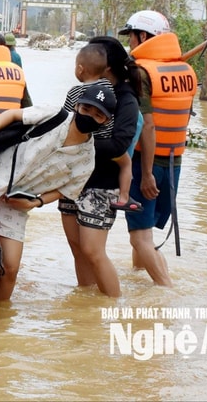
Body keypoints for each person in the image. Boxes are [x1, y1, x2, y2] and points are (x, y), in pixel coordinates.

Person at [0, 83, 116, 302]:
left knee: (10, 269)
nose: (90, 117)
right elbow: (12, 115)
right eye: (86, 110)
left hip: (13, 204)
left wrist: (35, 202)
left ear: (106, 121)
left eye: (98, 115)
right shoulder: (53, 114)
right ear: (77, 106)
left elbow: (66, 191)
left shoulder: (87, 159)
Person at [118, 10, 196, 287]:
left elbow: (148, 126)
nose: (130, 44)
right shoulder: (185, 70)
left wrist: (147, 173)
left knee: (138, 237)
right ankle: (138, 275)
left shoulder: (142, 72)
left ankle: (167, 289)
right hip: (175, 163)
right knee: (145, 232)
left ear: (143, 36)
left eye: (131, 37)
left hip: (146, 163)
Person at [58, 41, 142, 298]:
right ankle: (87, 304)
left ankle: (113, 305)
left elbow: (119, 145)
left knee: (93, 251)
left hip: (102, 183)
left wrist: (78, 146)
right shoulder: (80, 93)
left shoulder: (125, 99)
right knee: (77, 247)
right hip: (74, 180)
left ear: (106, 67)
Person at [61, 43, 136, 211]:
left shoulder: (75, 92)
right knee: (126, 164)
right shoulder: (109, 87)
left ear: (80, 69)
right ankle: (124, 196)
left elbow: (64, 118)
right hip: (107, 141)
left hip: (82, 142)